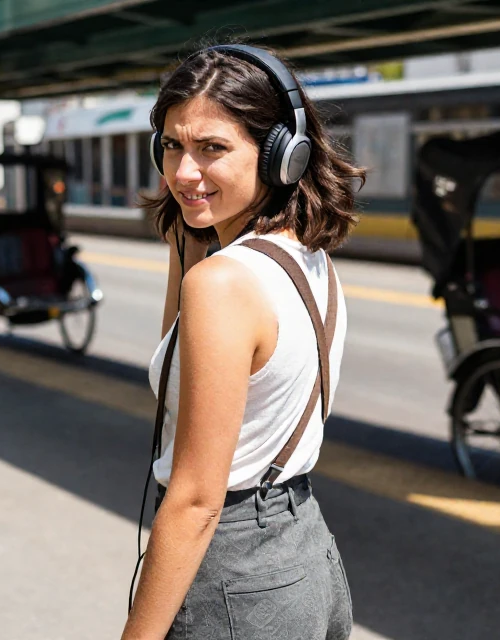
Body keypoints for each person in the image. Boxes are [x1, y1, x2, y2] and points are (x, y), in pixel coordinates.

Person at [122, 44, 365, 640]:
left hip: (233, 573)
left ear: (283, 155)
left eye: (212, 149)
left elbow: (196, 500)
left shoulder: (224, 284)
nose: (183, 172)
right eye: (173, 145)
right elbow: (178, 374)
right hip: (302, 549)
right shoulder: (306, 260)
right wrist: (191, 233)